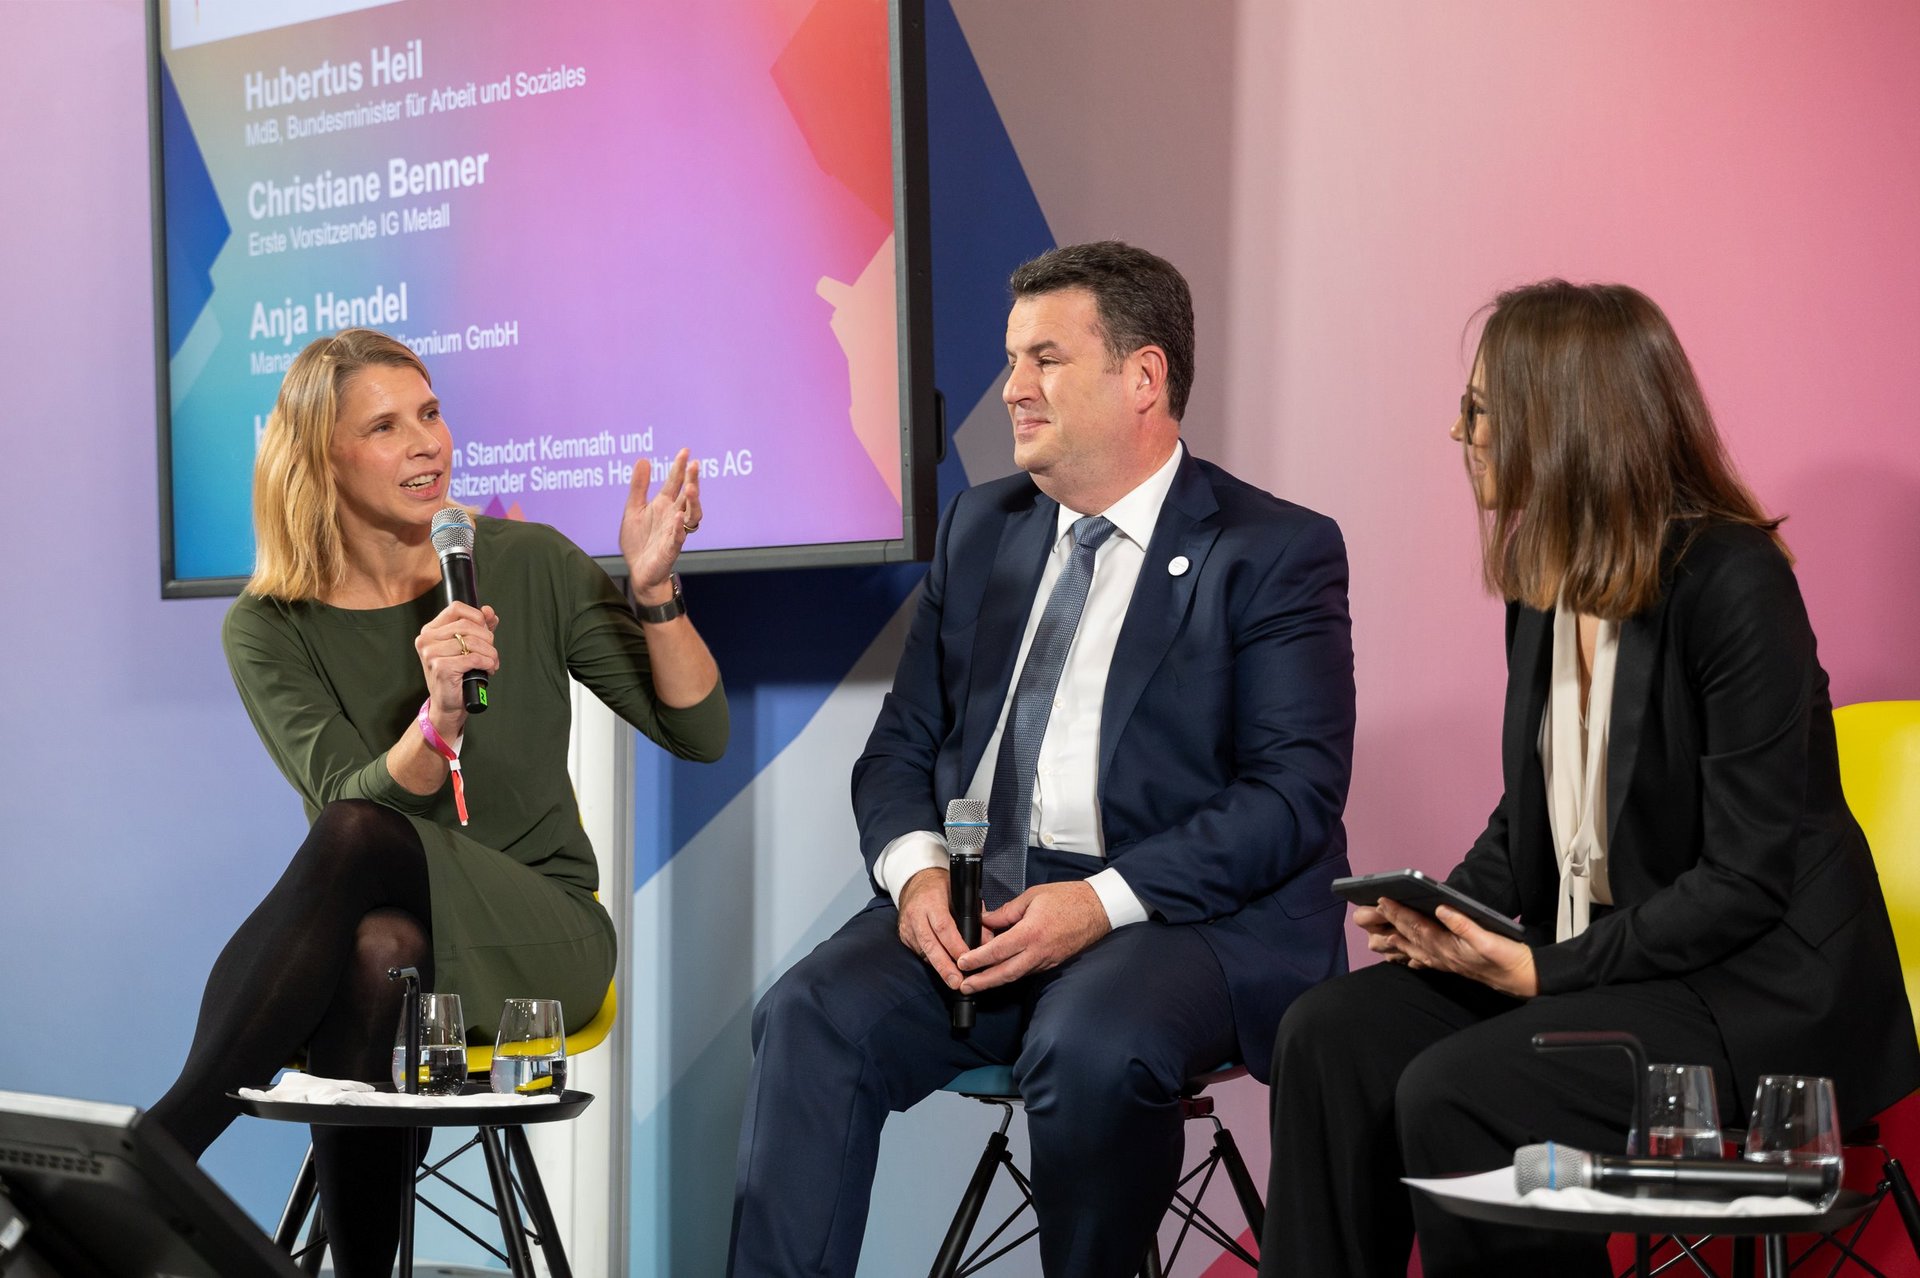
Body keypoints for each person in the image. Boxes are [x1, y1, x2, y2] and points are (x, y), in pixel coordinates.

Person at [1260, 281, 1920, 1277]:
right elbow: (1537, 814)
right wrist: (1447, 919)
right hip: (1609, 966)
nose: (1457, 431)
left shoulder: (1735, 581)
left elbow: (1746, 880)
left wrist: (1541, 973)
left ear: (1559, 418)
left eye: (1479, 410)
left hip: (1746, 991)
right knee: (1329, 1035)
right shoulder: (1541, 570)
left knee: (1460, 1090)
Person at [728, 241, 1356, 1277]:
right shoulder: (983, 528)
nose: (1011, 387)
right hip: (987, 899)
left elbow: (1292, 799)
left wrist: (1101, 902)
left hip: (1178, 915)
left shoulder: (1272, 551)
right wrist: (917, 867)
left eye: (1045, 360)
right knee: (809, 1014)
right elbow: (900, 748)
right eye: (1012, 358)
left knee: (1093, 1048)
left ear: (1143, 377)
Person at [148, 328, 727, 1276]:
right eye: (386, 426)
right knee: (378, 946)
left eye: (430, 412)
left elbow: (700, 735)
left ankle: (165, 1146)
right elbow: (351, 794)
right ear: (320, 460)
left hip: (543, 936)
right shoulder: (268, 625)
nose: (427, 443)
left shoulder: (530, 563)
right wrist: (437, 723)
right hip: (399, 953)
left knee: (354, 850)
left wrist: (655, 592)